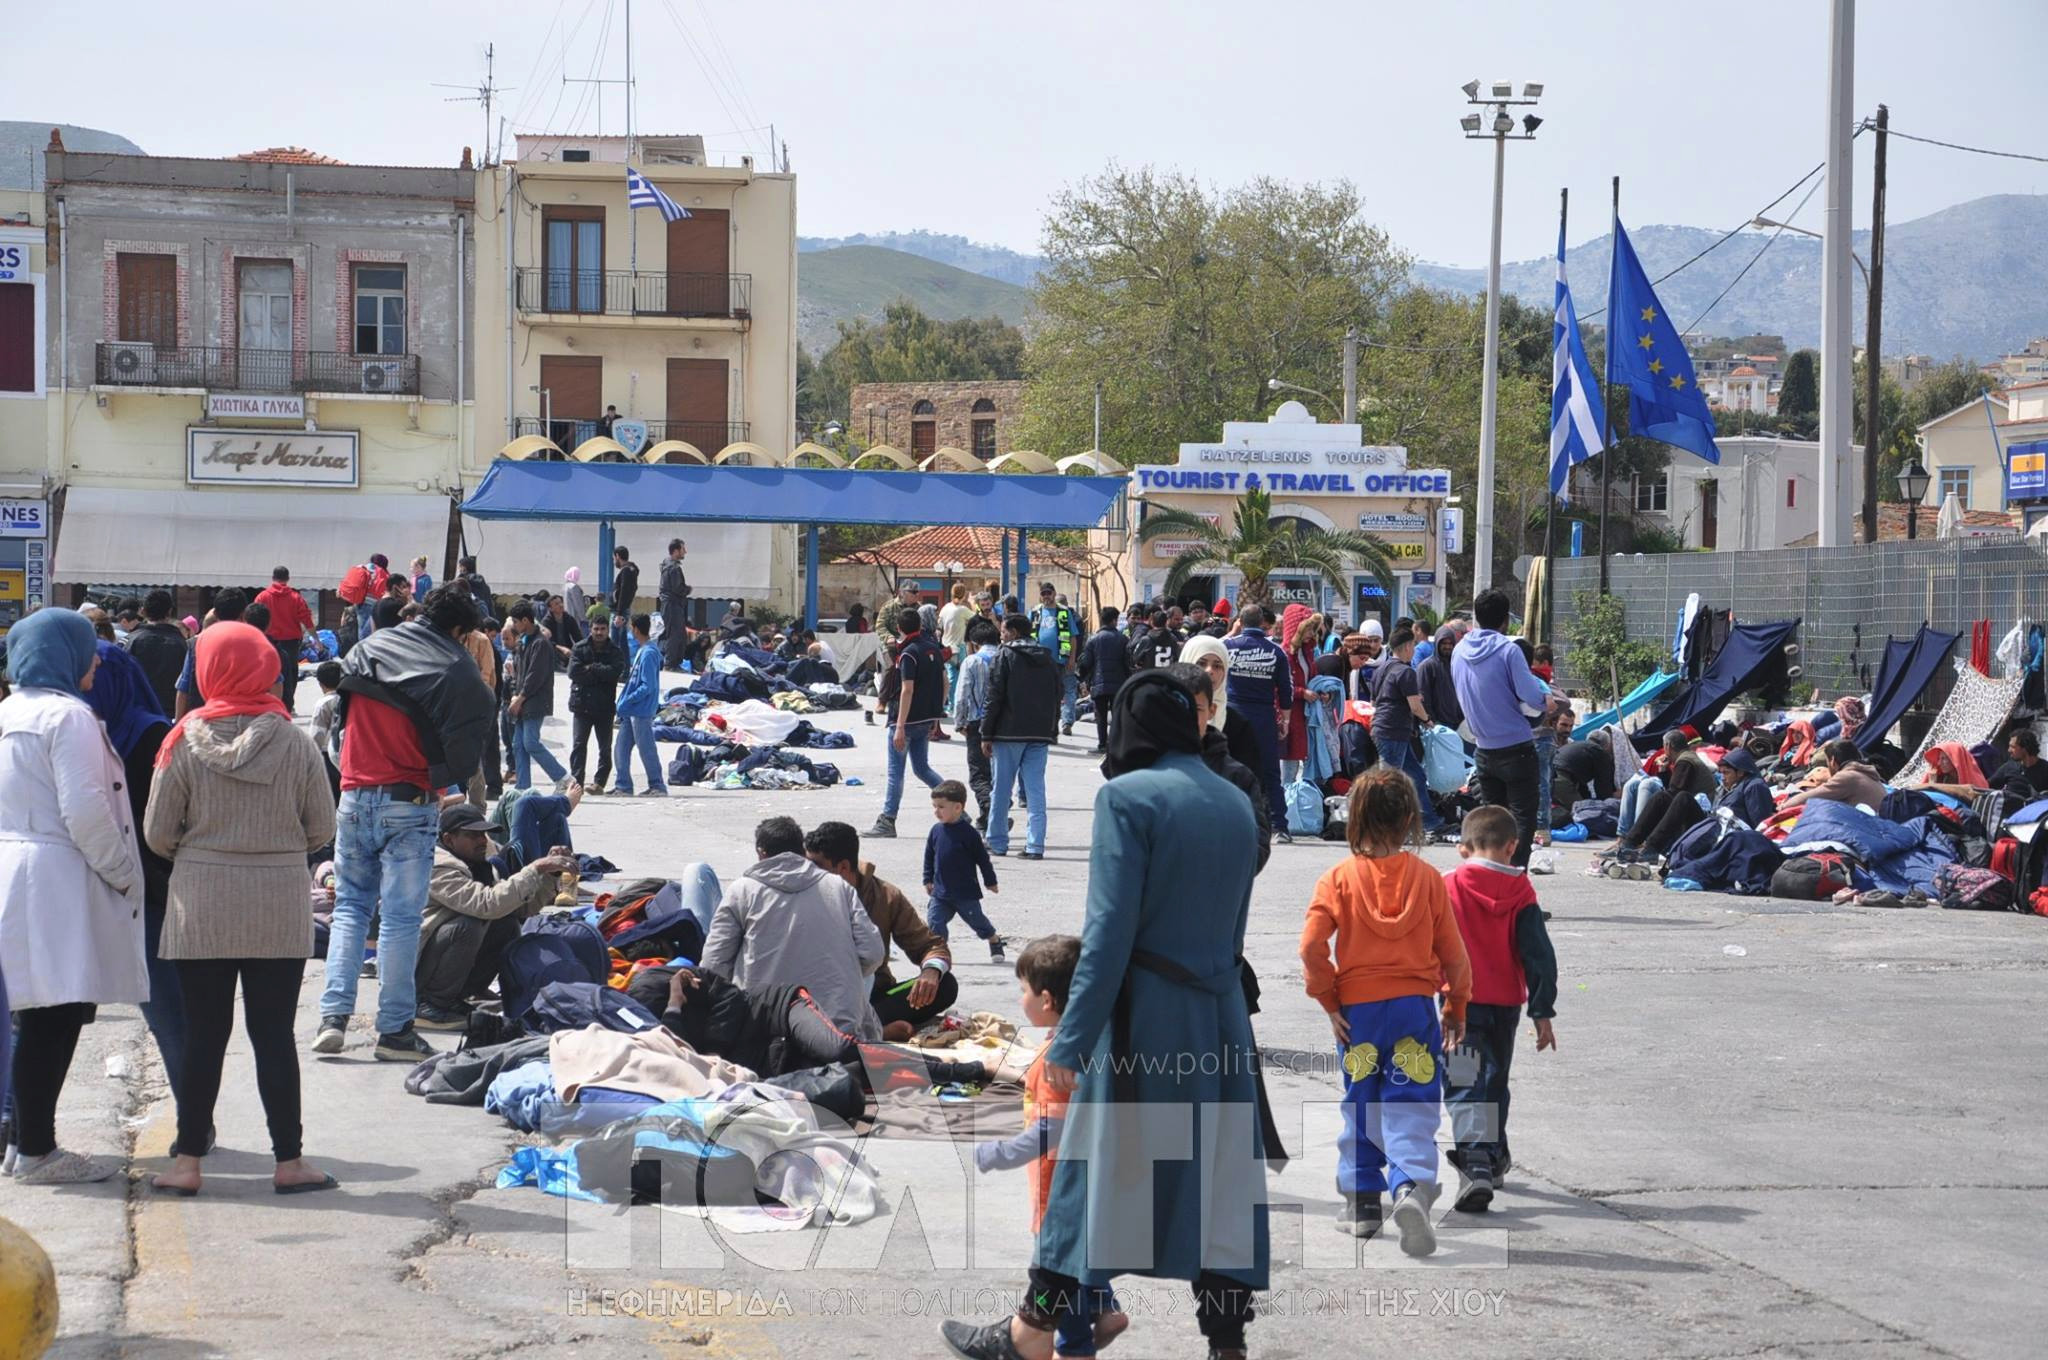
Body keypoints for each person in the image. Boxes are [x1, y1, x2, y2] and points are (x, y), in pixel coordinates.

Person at [940, 668, 1266, 1360]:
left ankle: (1033, 1330)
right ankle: (1227, 1341)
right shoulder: (1235, 802)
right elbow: (1235, 933)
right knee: (1219, 1184)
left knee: (1085, 1180)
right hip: (1221, 1019)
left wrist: (1068, 1046)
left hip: (1145, 1020)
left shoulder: (1126, 798)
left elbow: (1110, 934)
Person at [142, 621, 337, 1196]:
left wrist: (201, 851)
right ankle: (289, 1161)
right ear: (266, 668)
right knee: (273, 1034)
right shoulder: (296, 742)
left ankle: (186, 1163)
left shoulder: (181, 740)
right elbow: (321, 828)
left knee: (204, 1034)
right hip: (277, 901)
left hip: (200, 901)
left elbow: (156, 832)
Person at [316, 584, 495, 1062]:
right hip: (408, 800)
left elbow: (339, 730)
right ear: (458, 630)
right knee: (398, 919)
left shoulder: (366, 648)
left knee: (350, 911)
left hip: (353, 797)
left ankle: (332, 1017)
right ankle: (394, 1031)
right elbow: (475, 727)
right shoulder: (454, 666)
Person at [0, 611, 148, 1184]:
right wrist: (123, 874)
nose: (95, 660)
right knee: (53, 1016)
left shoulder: (11, 710)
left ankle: (23, 1143)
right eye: (88, 650)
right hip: (56, 874)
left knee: (34, 1011)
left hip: (18, 868)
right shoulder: (69, 717)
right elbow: (85, 811)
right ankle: (38, 1151)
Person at [1300, 766, 1472, 1252]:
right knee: (1412, 1101)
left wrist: (1328, 999)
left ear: (1354, 816)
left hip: (1359, 1014)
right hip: (1415, 1010)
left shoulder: (1336, 878)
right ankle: (1412, 1187)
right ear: (1410, 820)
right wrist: (1456, 1004)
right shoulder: (1428, 879)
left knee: (1361, 1101)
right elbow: (1454, 953)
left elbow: (1312, 947)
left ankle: (1362, 1206)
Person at [970, 936, 1129, 1358]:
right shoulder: (1082, 1042)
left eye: (1022, 990)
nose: (1019, 999)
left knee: (1056, 1265)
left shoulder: (1058, 1057)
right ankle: (1105, 1306)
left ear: (1046, 998)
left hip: (1056, 1181)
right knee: (1081, 1252)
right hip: (1091, 1176)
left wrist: (999, 1153)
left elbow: (1052, 1129)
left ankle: (1074, 1346)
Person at [84, 640, 191, 1121]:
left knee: (46, 1013)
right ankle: (194, 1119)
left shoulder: (73, 730)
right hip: (143, 884)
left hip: (100, 885)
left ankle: (20, 1128)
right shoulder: (151, 732)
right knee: (167, 1007)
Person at [1442, 805, 1558, 1213]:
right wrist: (1542, 1010)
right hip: (1505, 1007)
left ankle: (1475, 1162)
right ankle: (1491, 1156)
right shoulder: (1522, 891)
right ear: (1513, 846)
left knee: (1463, 1084)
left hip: (1456, 1006)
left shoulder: (1446, 886)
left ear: (1462, 849)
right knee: (1493, 1080)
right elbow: (1538, 955)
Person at [700, 817, 885, 1038]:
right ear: (801, 850)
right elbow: (873, 954)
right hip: (837, 1029)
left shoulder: (742, 891)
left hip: (764, 1028)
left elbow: (714, 965)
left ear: (761, 853)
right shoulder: (838, 887)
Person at [413, 802, 573, 1029]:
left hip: (440, 960)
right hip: (416, 969)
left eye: (483, 835)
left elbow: (521, 910)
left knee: (506, 923)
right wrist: (534, 868)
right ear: (449, 840)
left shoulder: (482, 866)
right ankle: (430, 1005)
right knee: (468, 924)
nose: (482, 842)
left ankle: (459, 996)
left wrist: (549, 876)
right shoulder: (437, 867)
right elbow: (486, 904)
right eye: (473, 836)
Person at [803, 822, 958, 1038]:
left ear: (843, 867)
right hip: (821, 1000)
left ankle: (862, 1030)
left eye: (817, 866)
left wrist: (931, 971)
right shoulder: (804, 896)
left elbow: (929, 945)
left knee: (945, 985)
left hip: (873, 998)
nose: (808, 872)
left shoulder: (885, 895)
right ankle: (874, 1032)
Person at [1451, 589, 1554, 867]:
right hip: (1516, 749)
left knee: (1491, 823)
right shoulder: (1509, 651)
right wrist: (1546, 701)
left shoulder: (1459, 651)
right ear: (1505, 620)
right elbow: (1531, 695)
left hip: (1483, 749)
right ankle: (1515, 887)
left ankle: (1490, 883)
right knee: (1522, 820)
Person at [1173, 660, 1272, 872]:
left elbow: (1257, 842)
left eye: (1217, 665)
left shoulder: (1236, 775)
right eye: (1180, 707)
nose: (1209, 671)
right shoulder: (1147, 769)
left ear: (1211, 710)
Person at [983, 612, 1060, 860]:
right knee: (1036, 791)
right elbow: (1057, 695)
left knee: (1002, 790)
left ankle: (997, 841)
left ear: (1014, 632)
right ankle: (1035, 845)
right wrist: (1052, 729)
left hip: (1008, 733)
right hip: (1039, 733)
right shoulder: (1047, 658)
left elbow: (994, 696)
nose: (1001, 635)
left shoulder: (1004, 655)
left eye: (1004, 631)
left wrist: (986, 732)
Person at [867, 605, 947, 839]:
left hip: (906, 720)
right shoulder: (933, 649)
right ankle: (956, 808)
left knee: (896, 773)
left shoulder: (909, 653)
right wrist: (936, 715)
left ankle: (888, 820)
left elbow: (907, 690)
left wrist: (899, 726)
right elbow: (944, 683)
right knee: (922, 769)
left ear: (899, 628)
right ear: (921, 626)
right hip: (925, 720)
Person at [1223, 604, 1294, 841]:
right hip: (1263, 716)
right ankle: (1279, 825)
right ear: (1263, 622)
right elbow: (1286, 691)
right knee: (1270, 771)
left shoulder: (1227, 646)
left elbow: (1204, 652)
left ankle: (1232, 821)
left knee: (1230, 767)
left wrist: (1231, 634)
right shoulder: (1276, 652)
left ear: (1240, 623)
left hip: (1233, 714)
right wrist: (1285, 721)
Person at [1370, 626, 1444, 837]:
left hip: (1382, 727)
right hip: (1394, 730)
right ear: (1407, 646)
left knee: (1415, 776)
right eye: (1413, 645)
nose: (1414, 650)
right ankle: (1382, 827)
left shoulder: (1381, 669)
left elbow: (1374, 701)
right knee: (1390, 783)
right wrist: (1427, 719)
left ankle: (1428, 821)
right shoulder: (1406, 671)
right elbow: (1414, 705)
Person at [924, 780, 1003, 960]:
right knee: (935, 921)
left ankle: (994, 939)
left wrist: (990, 881)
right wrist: (927, 879)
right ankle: (939, 952)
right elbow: (929, 857)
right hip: (941, 892)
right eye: (934, 806)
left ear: (958, 807)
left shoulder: (969, 834)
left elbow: (983, 860)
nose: (936, 811)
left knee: (978, 922)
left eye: (941, 807)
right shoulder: (936, 831)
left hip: (965, 893)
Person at [503, 600, 568, 792]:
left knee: (530, 742)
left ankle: (563, 778)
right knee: (518, 744)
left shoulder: (540, 643)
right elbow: (518, 673)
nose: (514, 627)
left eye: (515, 622)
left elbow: (534, 676)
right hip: (522, 700)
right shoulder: (523, 642)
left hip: (535, 701)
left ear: (525, 620)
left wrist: (520, 698)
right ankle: (523, 787)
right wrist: (515, 695)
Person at [610, 613, 669, 797]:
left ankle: (657, 785)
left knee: (646, 749)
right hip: (631, 711)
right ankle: (623, 786)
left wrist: (628, 700)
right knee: (621, 748)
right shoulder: (643, 651)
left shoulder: (649, 653)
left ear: (636, 629)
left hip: (641, 710)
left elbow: (647, 686)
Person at [952, 617, 1003, 831]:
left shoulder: (972, 662)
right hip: (1003, 723)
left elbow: (962, 695)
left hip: (977, 723)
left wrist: (959, 722)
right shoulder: (1005, 657)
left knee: (978, 773)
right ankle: (987, 816)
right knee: (997, 771)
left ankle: (990, 808)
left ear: (974, 643)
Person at [566, 610, 625, 792]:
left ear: (608, 630)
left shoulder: (615, 651)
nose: (599, 632)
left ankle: (599, 782)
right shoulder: (580, 648)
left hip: (604, 707)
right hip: (582, 705)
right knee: (578, 746)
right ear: (590, 629)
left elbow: (615, 672)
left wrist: (592, 668)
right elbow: (573, 672)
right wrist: (599, 674)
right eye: (596, 629)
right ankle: (577, 783)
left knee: (605, 748)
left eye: (603, 629)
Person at [174, 588, 248, 719]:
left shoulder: (195, 644)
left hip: (203, 721)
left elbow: (184, 688)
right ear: (243, 615)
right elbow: (275, 683)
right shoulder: (254, 643)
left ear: (216, 614)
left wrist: (178, 727)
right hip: (242, 721)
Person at [253, 567, 318, 714]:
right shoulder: (296, 598)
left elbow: (254, 616)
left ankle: (268, 703)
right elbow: (306, 619)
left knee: (268, 671)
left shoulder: (262, 597)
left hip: (267, 641)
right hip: (290, 642)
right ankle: (288, 705)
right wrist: (317, 640)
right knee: (290, 674)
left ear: (272, 577)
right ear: (288, 579)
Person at [1777, 739, 1887, 813]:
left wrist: (1783, 807)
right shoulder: (1866, 773)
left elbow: (1809, 797)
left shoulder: (1848, 777)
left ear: (1833, 761)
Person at [1076, 606, 1131, 753]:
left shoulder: (1093, 640)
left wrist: (1083, 679)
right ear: (1114, 620)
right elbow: (1128, 663)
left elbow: (1086, 662)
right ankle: (1114, 744)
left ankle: (1102, 744)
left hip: (1099, 683)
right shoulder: (1123, 639)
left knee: (1100, 715)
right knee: (1116, 714)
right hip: (1119, 684)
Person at [127, 589, 189, 715]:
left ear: (143, 611)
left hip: (136, 714)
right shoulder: (184, 645)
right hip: (171, 715)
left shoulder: (129, 641)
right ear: (170, 611)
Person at [1551, 728, 1617, 807]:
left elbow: (1582, 786)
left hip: (1547, 778)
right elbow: (1603, 787)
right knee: (1583, 811)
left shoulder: (1577, 745)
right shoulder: (1600, 752)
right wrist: (1605, 807)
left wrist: (1587, 799)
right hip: (1561, 780)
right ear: (1607, 745)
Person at [655, 539, 692, 669]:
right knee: (675, 634)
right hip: (673, 605)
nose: (685, 552)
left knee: (677, 634)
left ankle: (673, 663)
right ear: (676, 551)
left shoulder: (667, 565)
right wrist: (688, 589)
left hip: (670, 605)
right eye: (683, 549)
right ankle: (670, 664)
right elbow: (678, 588)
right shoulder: (673, 568)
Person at [1991, 728, 2048, 800]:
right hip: (2010, 810)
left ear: (2025, 748)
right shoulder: (2009, 767)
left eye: (2013, 747)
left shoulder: (2045, 769)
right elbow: (1987, 786)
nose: (2009, 750)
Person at [457, 555, 496, 624]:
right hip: (486, 621)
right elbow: (490, 605)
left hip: (470, 621)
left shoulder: (462, 582)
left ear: (464, 568)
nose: (458, 569)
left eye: (459, 566)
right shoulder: (485, 586)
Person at [610, 544, 641, 622]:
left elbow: (624, 591)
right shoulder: (631, 570)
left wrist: (619, 613)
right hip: (623, 609)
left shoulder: (626, 571)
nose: (614, 562)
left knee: (617, 633)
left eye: (613, 558)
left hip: (620, 611)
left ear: (617, 556)